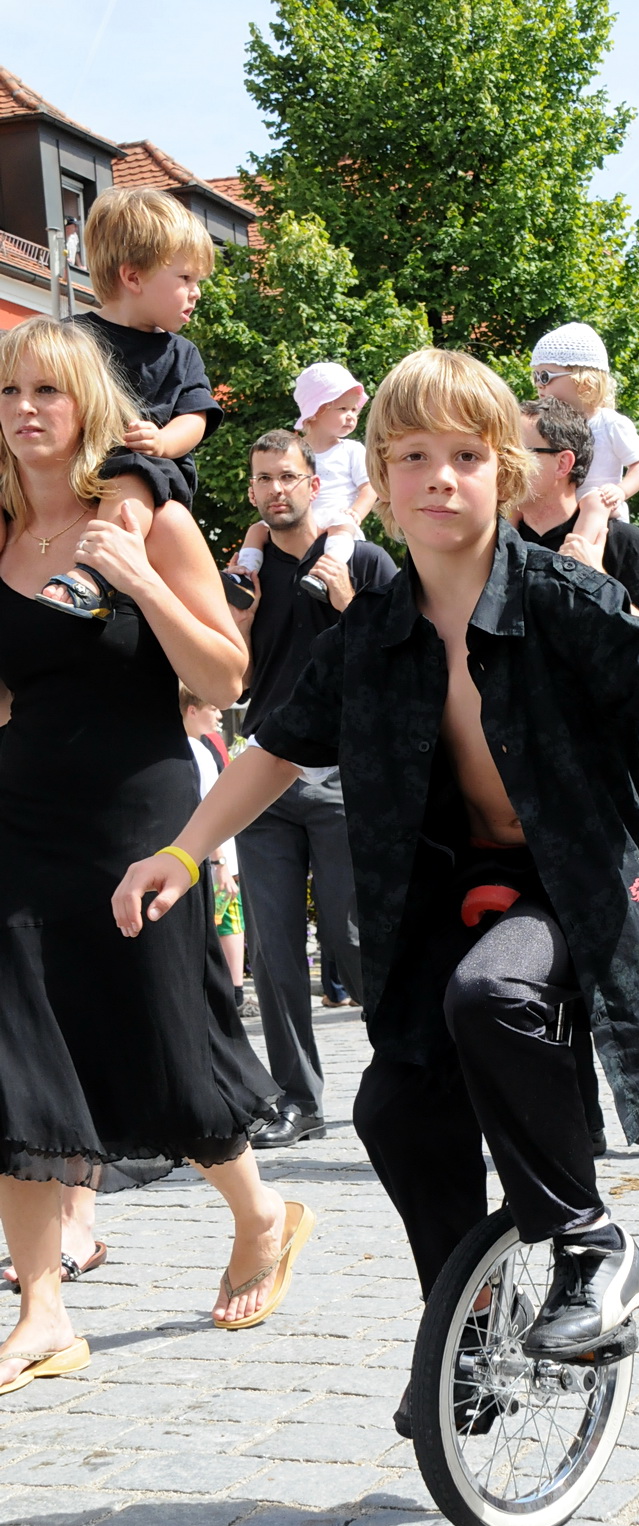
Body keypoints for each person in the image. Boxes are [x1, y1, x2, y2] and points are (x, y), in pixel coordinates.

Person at [113, 347, 639, 1437]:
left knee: (494, 996)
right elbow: (272, 749)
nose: (441, 478)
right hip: (443, 888)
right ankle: (459, 1329)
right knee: (387, 1107)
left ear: (506, 472)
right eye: (414, 456)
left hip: (576, 881)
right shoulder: (369, 630)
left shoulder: (565, 596)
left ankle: (588, 1243)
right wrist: (182, 853)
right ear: (378, 472)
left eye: (467, 456)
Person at [0, 317, 314, 1399]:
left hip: (136, 817)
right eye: (9, 391)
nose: (28, 408)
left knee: (162, 1042)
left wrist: (136, 577)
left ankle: (262, 1213)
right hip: (17, 815)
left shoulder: (144, 513)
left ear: (88, 403)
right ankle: (43, 1308)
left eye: (49, 388)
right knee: (15, 1057)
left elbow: (226, 678)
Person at [230, 428, 396, 1148]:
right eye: (263, 478)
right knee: (272, 951)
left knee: (353, 939)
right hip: (262, 772)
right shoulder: (244, 574)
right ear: (251, 491)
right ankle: (299, 1098)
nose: (275, 490)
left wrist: (349, 601)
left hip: (342, 773)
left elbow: (403, 665)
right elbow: (226, 679)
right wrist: (233, 613)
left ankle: (411, 1073)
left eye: (287, 477)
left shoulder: (363, 559)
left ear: (313, 484)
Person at [7, 189, 220, 616]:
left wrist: (161, 442)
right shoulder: (71, 339)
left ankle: (93, 576)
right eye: (185, 279)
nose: (195, 292)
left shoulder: (181, 353)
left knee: (130, 471)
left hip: (146, 470)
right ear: (134, 277)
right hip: (76, 467)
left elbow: (195, 418)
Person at [517, 397, 639, 639]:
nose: (505, 464)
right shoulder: (495, 543)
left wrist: (598, 580)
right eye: (501, 451)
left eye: (520, 453)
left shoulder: (622, 540)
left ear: (563, 463)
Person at [230, 364, 375, 593]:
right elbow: (271, 478)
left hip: (335, 516)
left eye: (354, 410)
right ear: (317, 411)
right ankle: (244, 577)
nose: (351, 417)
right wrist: (258, 492)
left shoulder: (351, 450)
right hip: (295, 520)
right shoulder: (293, 450)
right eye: (343, 409)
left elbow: (369, 487)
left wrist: (355, 513)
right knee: (255, 531)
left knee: (341, 530)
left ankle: (324, 574)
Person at [529, 322, 639, 561]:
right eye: (535, 376)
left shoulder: (609, 423)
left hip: (602, 503)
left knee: (593, 500)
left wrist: (620, 490)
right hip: (563, 503)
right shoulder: (546, 423)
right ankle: (498, 554)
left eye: (545, 376)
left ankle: (573, 558)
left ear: (583, 380)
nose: (539, 385)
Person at [181, 687, 248, 1007]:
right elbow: (207, 804)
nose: (220, 714)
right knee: (226, 923)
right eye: (212, 708)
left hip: (206, 856)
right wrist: (220, 864)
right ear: (192, 710)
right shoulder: (196, 749)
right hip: (213, 858)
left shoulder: (198, 747)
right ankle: (232, 993)